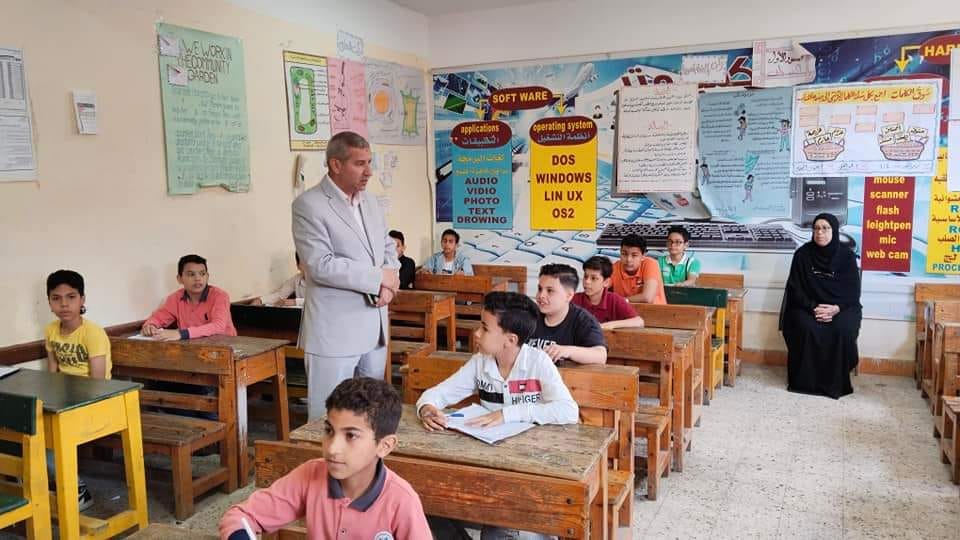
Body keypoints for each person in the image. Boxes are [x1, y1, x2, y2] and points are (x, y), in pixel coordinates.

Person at [417, 291, 577, 540]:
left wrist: (508, 414)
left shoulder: (537, 363)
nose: (476, 334)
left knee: (499, 528)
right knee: (427, 503)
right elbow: (439, 393)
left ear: (510, 340)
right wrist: (426, 407)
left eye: (484, 328)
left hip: (530, 471)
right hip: (490, 466)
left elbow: (569, 410)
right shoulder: (480, 362)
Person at [219, 377, 431, 539]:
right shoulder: (311, 474)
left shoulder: (402, 501)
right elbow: (240, 516)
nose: (333, 448)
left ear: (385, 446)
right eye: (329, 431)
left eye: (351, 436)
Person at [292, 131, 400, 420]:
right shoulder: (309, 205)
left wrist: (389, 285)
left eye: (369, 162)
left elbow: (388, 248)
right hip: (335, 332)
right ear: (336, 165)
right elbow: (320, 264)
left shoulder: (372, 202)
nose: (369, 172)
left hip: (374, 326)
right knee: (328, 416)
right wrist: (379, 278)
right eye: (360, 163)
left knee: (370, 415)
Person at [44, 269, 109, 511]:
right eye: (56, 298)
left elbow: (98, 381)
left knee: (51, 431)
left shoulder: (92, 333)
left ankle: (76, 488)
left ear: (82, 299)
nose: (64, 304)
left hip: (96, 399)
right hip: (64, 398)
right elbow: (52, 370)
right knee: (29, 423)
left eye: (71, 297)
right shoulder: (51, 330)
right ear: (49, 302)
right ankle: (40, 484)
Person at [780, 213, 861, 399]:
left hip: (841, 308)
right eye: (816, 228)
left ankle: (836, 383)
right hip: (808, 307)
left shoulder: (847, 257)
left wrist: (836, 309)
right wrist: (813, 307)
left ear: (834, 230)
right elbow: (795, 289)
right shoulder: (802, 255)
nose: (820, 233)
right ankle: (804, 383)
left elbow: (853, 292)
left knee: (842, 329)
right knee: (805, 326)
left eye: (825, 228)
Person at [141, 254, 237, 340]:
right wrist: (150, 325)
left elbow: (218, 326)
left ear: (207, 276)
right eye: (191, 274)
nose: (198, 278)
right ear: (180, 279)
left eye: (202, 274)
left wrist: (182, 334)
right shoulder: (175, 298)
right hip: (193, 347)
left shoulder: (220, 296)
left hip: (226, 347)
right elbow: (158, 317)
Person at [528, 264, 607, 365]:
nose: (541, 296)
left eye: (550, 291)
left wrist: (567, 351)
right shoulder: (529, 315)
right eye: (540, 289)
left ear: (569, 296)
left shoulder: (583, 320)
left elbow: (601, 356)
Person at [573, 256, 645, 329]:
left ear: (606, 282)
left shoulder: (614, 299)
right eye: (585, 277)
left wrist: (609, 325)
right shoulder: (574, 299)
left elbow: (639, 322)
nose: (587, 282)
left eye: (593, 278)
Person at [610, 234, 666, 305]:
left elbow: (647, 298)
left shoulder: (651, 264)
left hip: (654, 311)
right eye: (624, 254)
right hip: (624, 311)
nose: (628, 259)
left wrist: (621, 301)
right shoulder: (614, 267)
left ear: (643, 256)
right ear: (620, 252)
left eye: (634, 255)